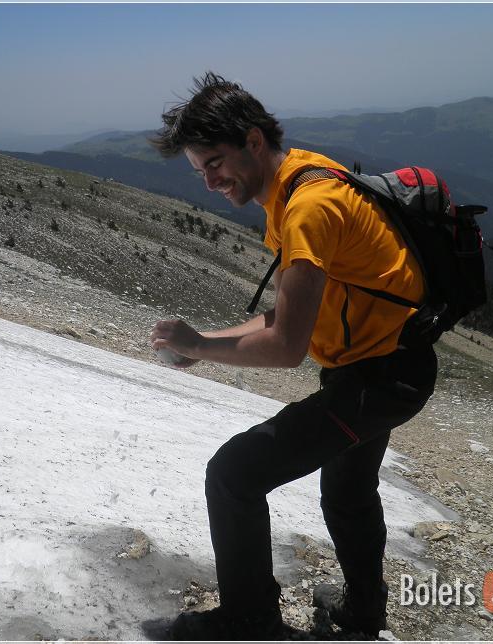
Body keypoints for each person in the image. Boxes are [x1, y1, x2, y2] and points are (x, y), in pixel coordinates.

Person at [149, 72, 438, 641]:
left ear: (253, 141)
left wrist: (200, 344)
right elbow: (287, 315)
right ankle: (363, 614)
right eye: (198, 169)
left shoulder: (307, 208)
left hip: (378, 377)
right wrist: (203, 344)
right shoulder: (300, 176)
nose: (209, 180)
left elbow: (285, 348)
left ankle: (248, 618)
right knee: (349, 491)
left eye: (214, 162)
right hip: (387, 365)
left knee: (233, 474)